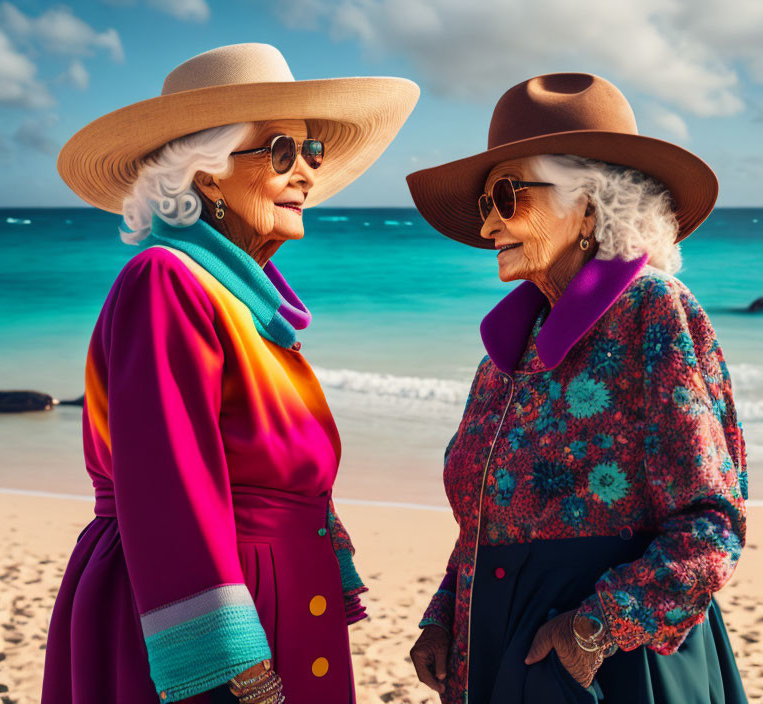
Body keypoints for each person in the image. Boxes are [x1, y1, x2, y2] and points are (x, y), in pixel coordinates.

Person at [40, 43, 418, 703]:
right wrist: (231, 666)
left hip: (280, 605)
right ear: (208, 174)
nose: (306, 174)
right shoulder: (165, 280)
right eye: (280, 152)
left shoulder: (240, 298)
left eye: (312, 153)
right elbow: (170, 488)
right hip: (210, 636)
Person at [406, 72, 748, 703]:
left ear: (589, 201)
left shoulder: (653, 312)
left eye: (507, 196)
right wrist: (446, 613)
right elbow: (485, 515)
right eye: (486, 204)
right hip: (501, 646)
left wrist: (592, 633)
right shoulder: (508, 348)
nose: (487, 228)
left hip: (617, 665)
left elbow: (712, 523)